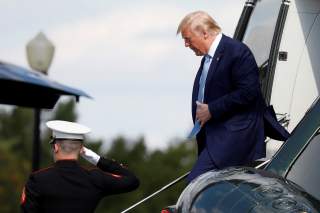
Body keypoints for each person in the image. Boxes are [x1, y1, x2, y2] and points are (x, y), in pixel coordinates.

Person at [177, 11, 290, 182]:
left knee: (198, 184)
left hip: (234, 138)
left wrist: (212, 109)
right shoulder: (209, 57)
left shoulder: (236, 51)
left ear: (204, 33)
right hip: (216, 140)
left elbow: (249, 91)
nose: (186, 44)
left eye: (188, 38)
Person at [20, 120, 139, 213]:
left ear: (55, 147)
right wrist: (96, 158)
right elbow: (132, 180)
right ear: (82, 148)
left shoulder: (38, 179)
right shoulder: (94, 179)